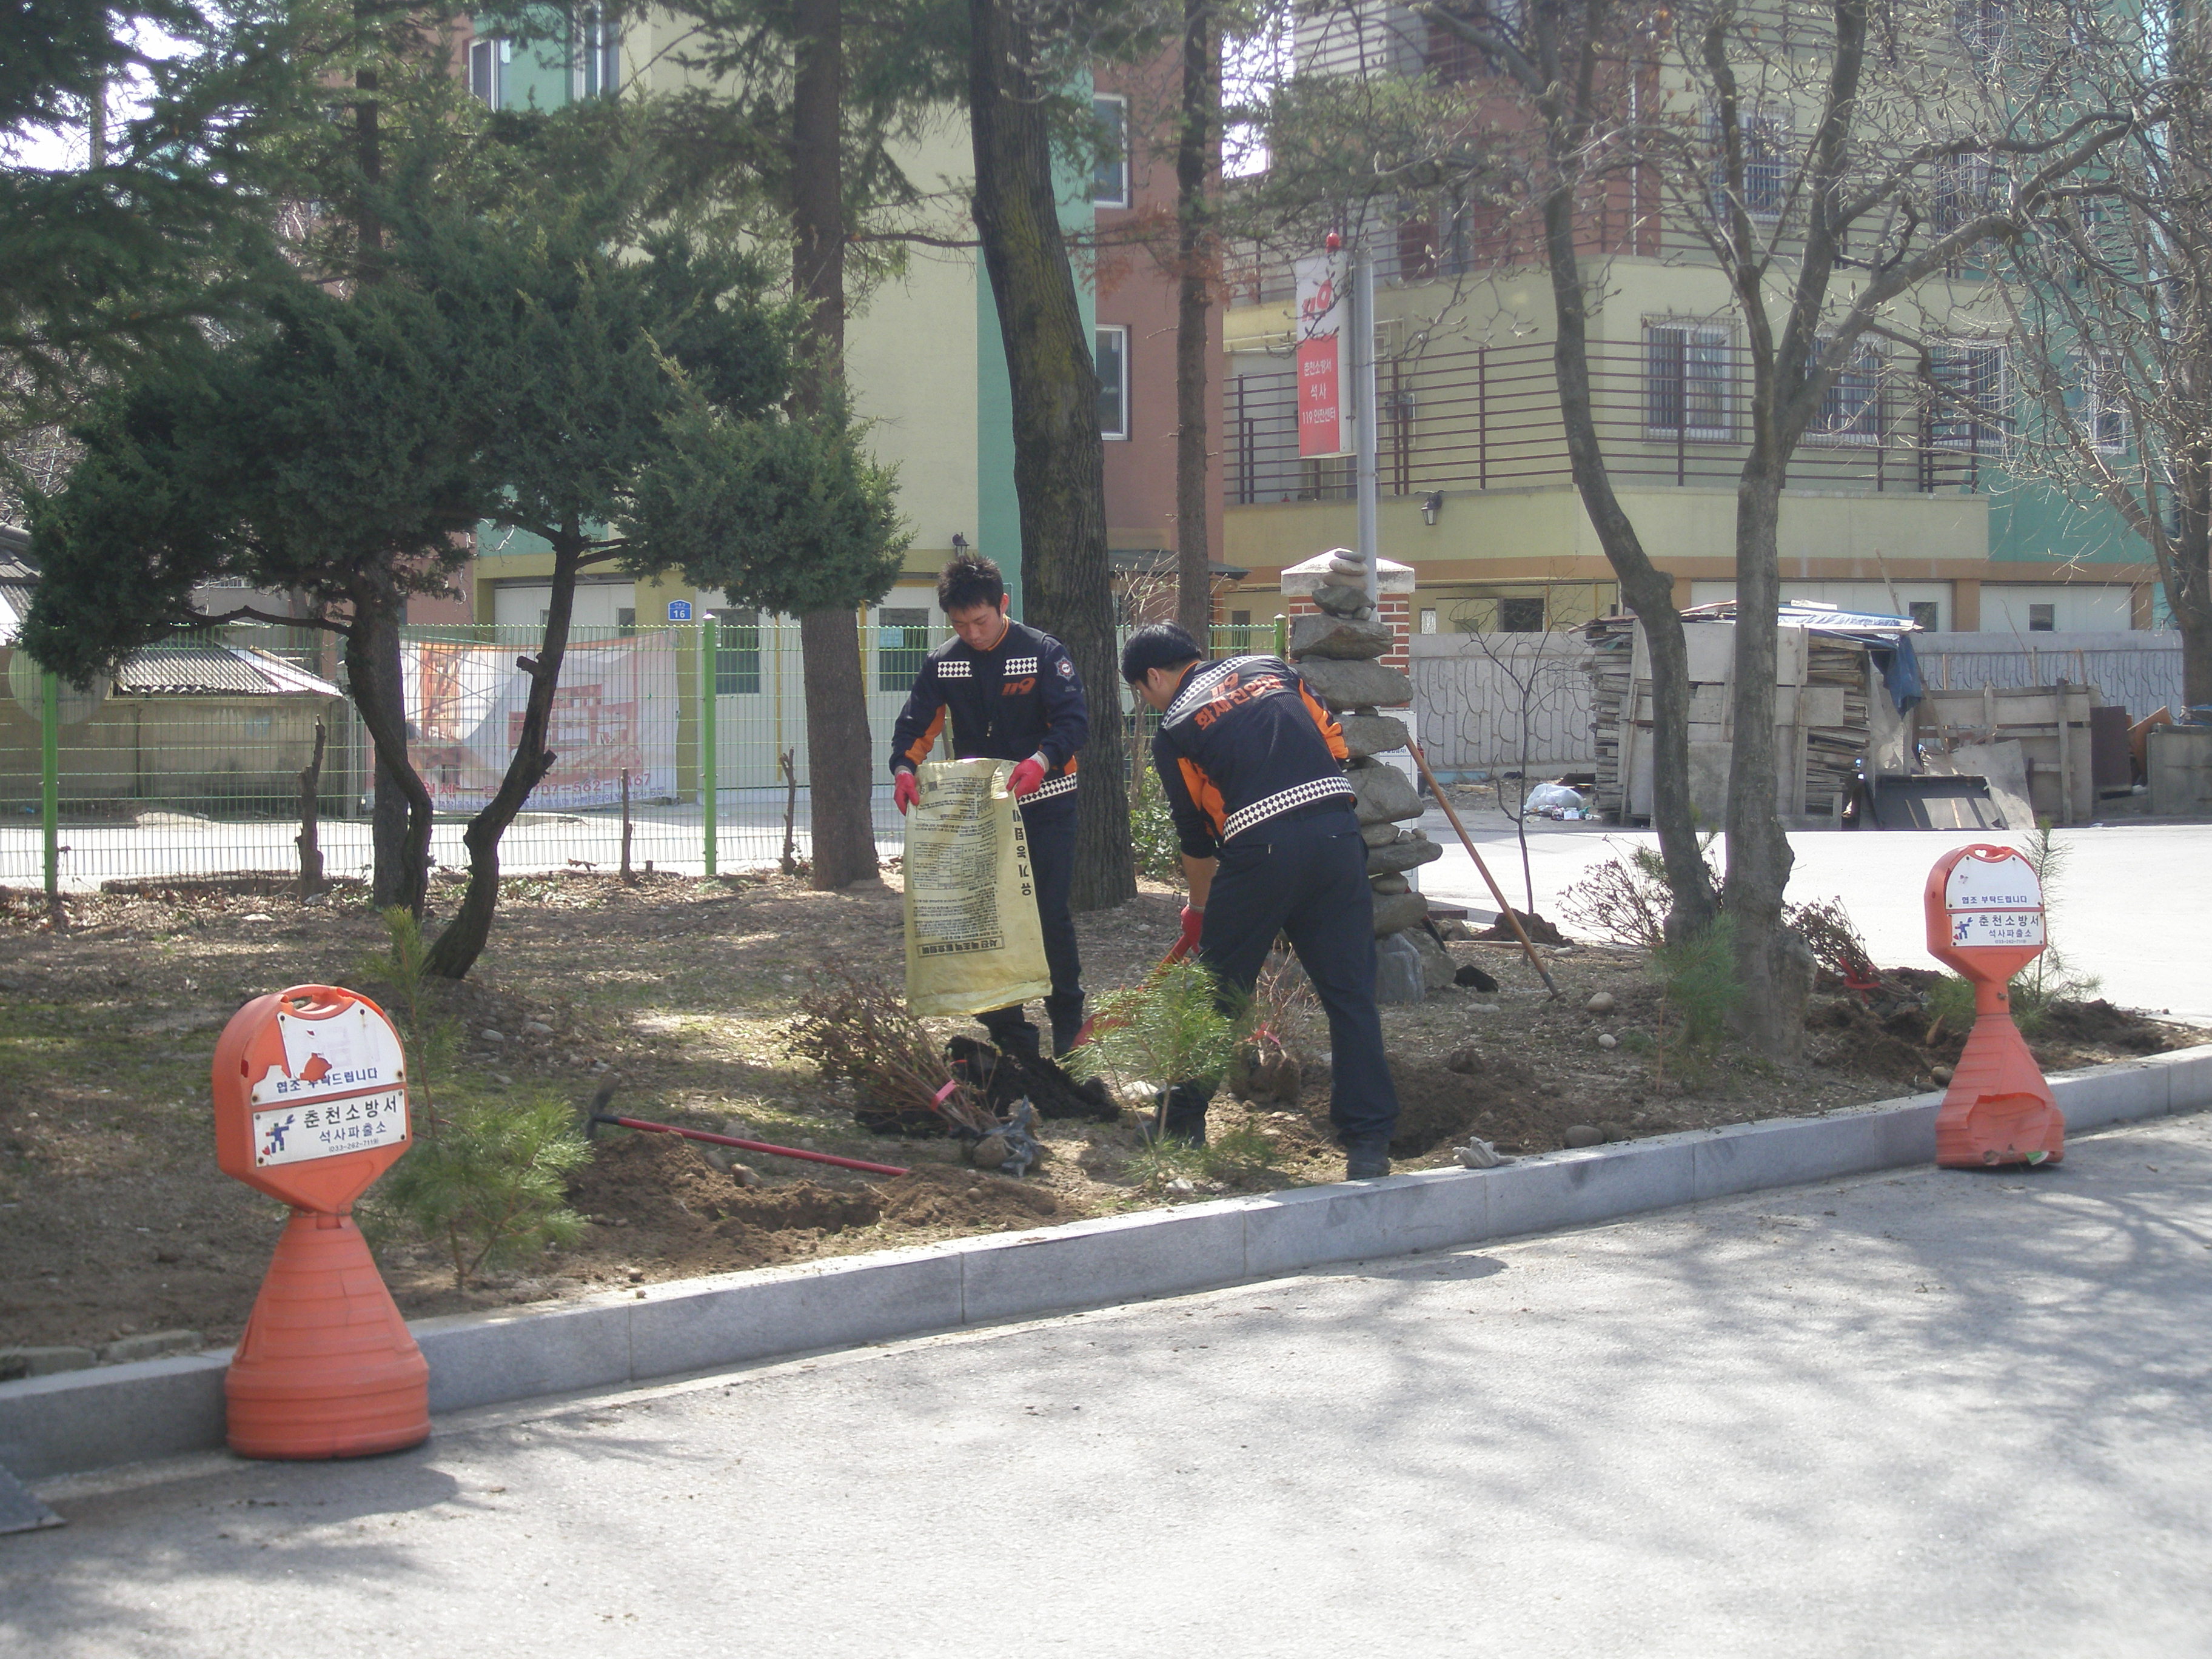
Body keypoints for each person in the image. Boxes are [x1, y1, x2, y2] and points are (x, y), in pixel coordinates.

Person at [1121, 621, 1401, 1179]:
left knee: (1217, 994)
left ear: (1153, 677)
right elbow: (1334, 742)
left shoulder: (1174, 729)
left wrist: (1200, 912)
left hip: (1261, 849)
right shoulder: (1270, 669)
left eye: (1141, 692)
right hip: (1337, 835)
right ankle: (1369, 1143)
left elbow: (1196, 837)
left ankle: (1181, 1122)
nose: (1148, 703)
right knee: (1349, 994)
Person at [888, 554, 1088, 1058]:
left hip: (1047, 802)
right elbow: (915, 727)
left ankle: (1068, 1021)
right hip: (981, 813)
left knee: (1047, 914)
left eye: (980, 621)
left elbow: (1073, 722)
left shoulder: (1043, 653)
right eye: (960, 625)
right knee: (985, 917)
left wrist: (1042, 760)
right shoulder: (944, 662)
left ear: (1003, 604)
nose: (973, 634)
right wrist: (904, 769)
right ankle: (1010, 1033)